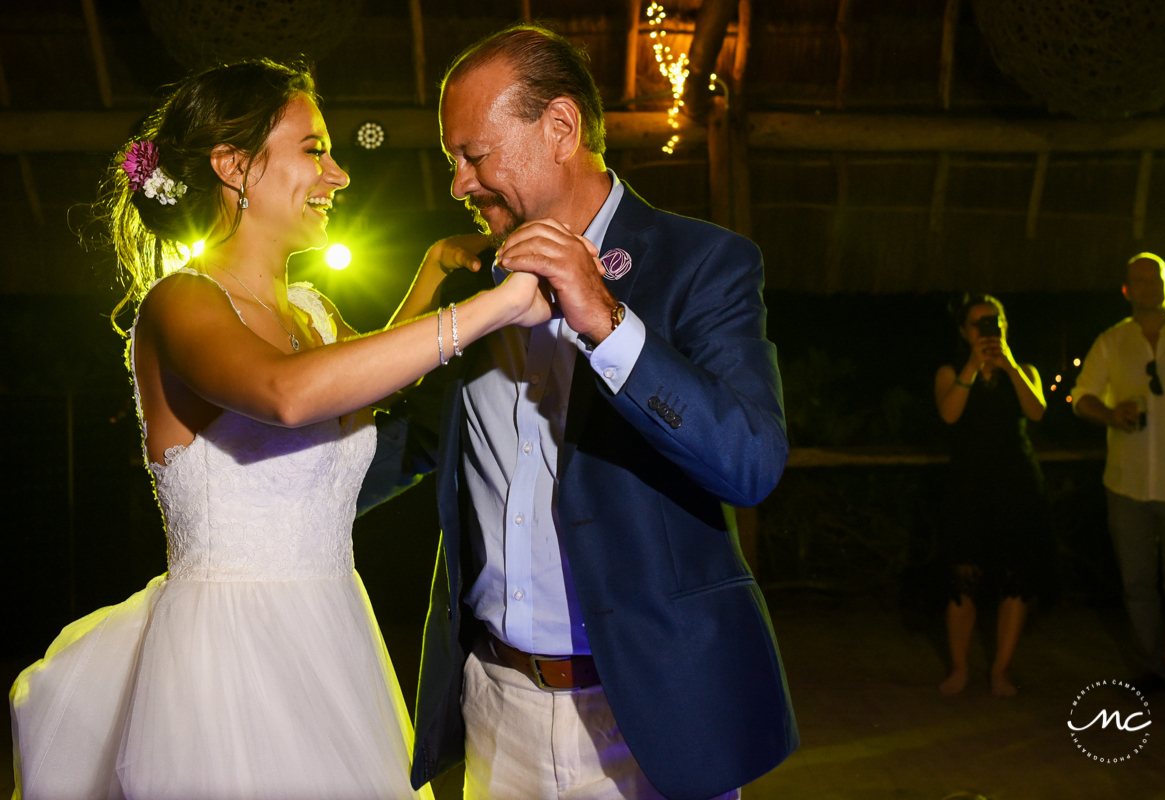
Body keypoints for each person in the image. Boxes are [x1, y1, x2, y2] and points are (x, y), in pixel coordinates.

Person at [8, 59, 549, 799]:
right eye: (314, 148)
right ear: (236, 167)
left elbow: (369, 381)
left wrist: (429, 272)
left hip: (332, 633)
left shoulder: (312, 310)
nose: (339, 175)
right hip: (226, 658)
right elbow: (286, 395)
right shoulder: (180, 305)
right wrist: (497, 307)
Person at [357, 24, 797, 800]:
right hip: (497, 707)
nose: (458, 184)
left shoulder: (705, 264)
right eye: (450, 160)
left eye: (473, 155)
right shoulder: (472, 294)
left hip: (651, 715)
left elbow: (750, 462)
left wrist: (605, 322)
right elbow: (391, 452)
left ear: (559, 128)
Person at [1072, 252, 1165, 693]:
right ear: (1127, 290)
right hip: (1126, 482)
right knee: (1137, 581)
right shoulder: (1111, 341)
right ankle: (1153, 667)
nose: (1147, 286)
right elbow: (1081, 396)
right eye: (1138, 280)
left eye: (1155, 278)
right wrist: (1109, 414)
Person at [933, 293, 1052, 697]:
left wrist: (1010, 366)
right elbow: (949, 414)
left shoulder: (1025, 369)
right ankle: (960, 668)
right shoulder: (950, 371)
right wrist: (973, 365)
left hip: (1016, 482)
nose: (987, 329)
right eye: (978, 324)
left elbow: (1037, 412)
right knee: (963, 577)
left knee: (1014, 578)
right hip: (968, 482)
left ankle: (1000, 671)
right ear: (965, 332)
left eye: (994, 321)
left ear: (1004, 326)